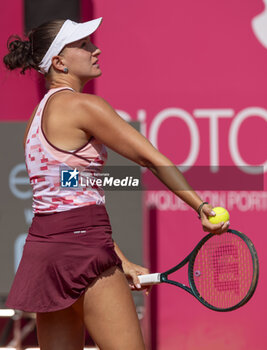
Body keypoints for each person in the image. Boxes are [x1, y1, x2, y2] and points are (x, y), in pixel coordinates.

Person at [3, 17, 229, 350]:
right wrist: (202, 207)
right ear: (59, 62)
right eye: (82, 46)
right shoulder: (85, 106)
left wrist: (119, 259)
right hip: (84, 249)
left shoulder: (33, 122)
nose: (95, 50)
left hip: (44, 256)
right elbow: (150, 158)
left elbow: (72, 200)